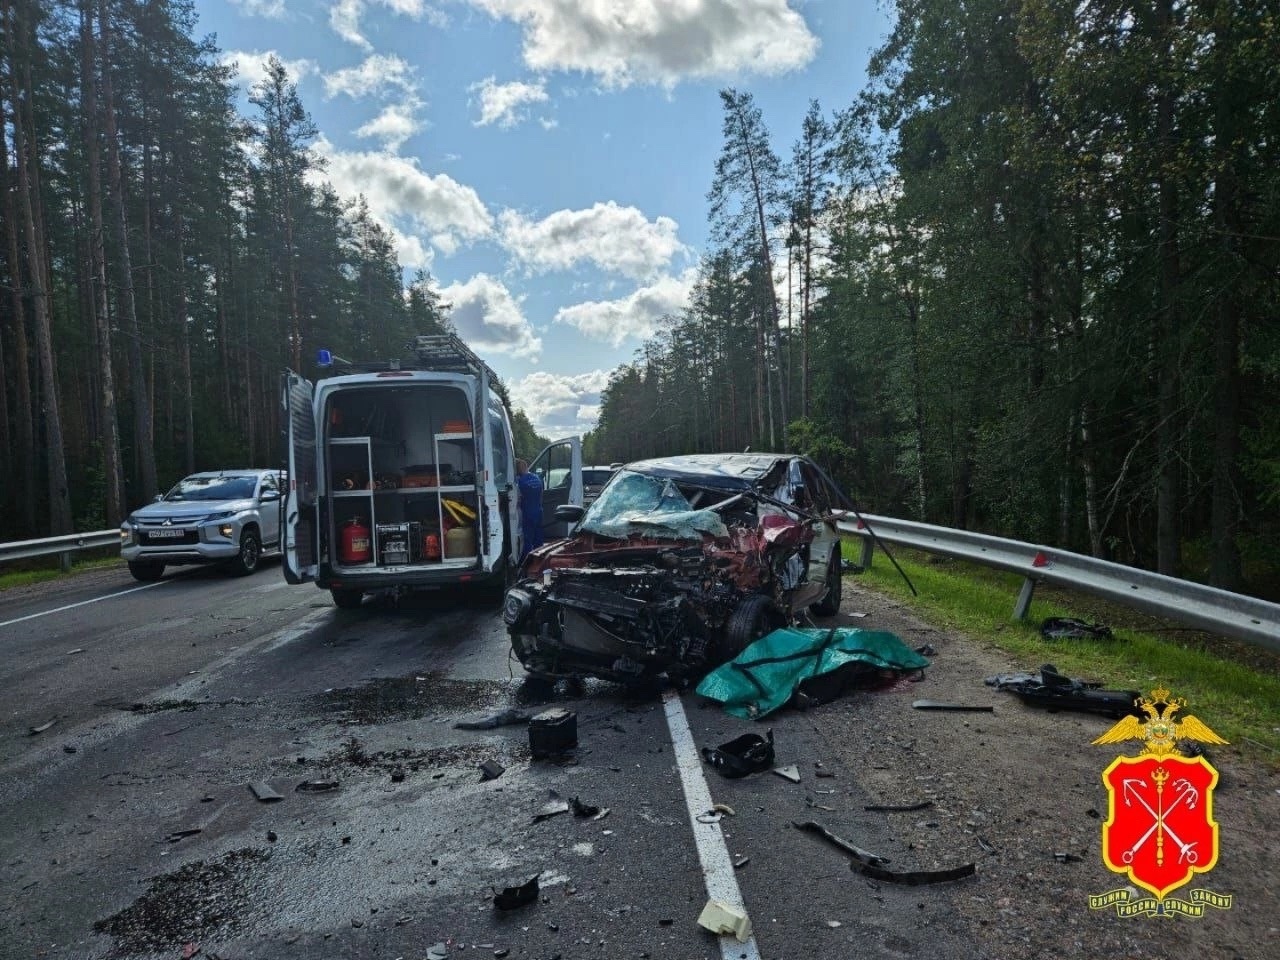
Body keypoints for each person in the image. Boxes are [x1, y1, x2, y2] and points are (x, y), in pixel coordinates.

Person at [515, 458, 544, 559]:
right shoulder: (537, 478)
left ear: (517, 470)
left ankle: (526, 562)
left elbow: (517, 500)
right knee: (538, 538)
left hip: (527, 513)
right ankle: (540, 559)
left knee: (527, 539)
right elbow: (541, 496)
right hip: (539, 511)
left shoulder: (520, 482)